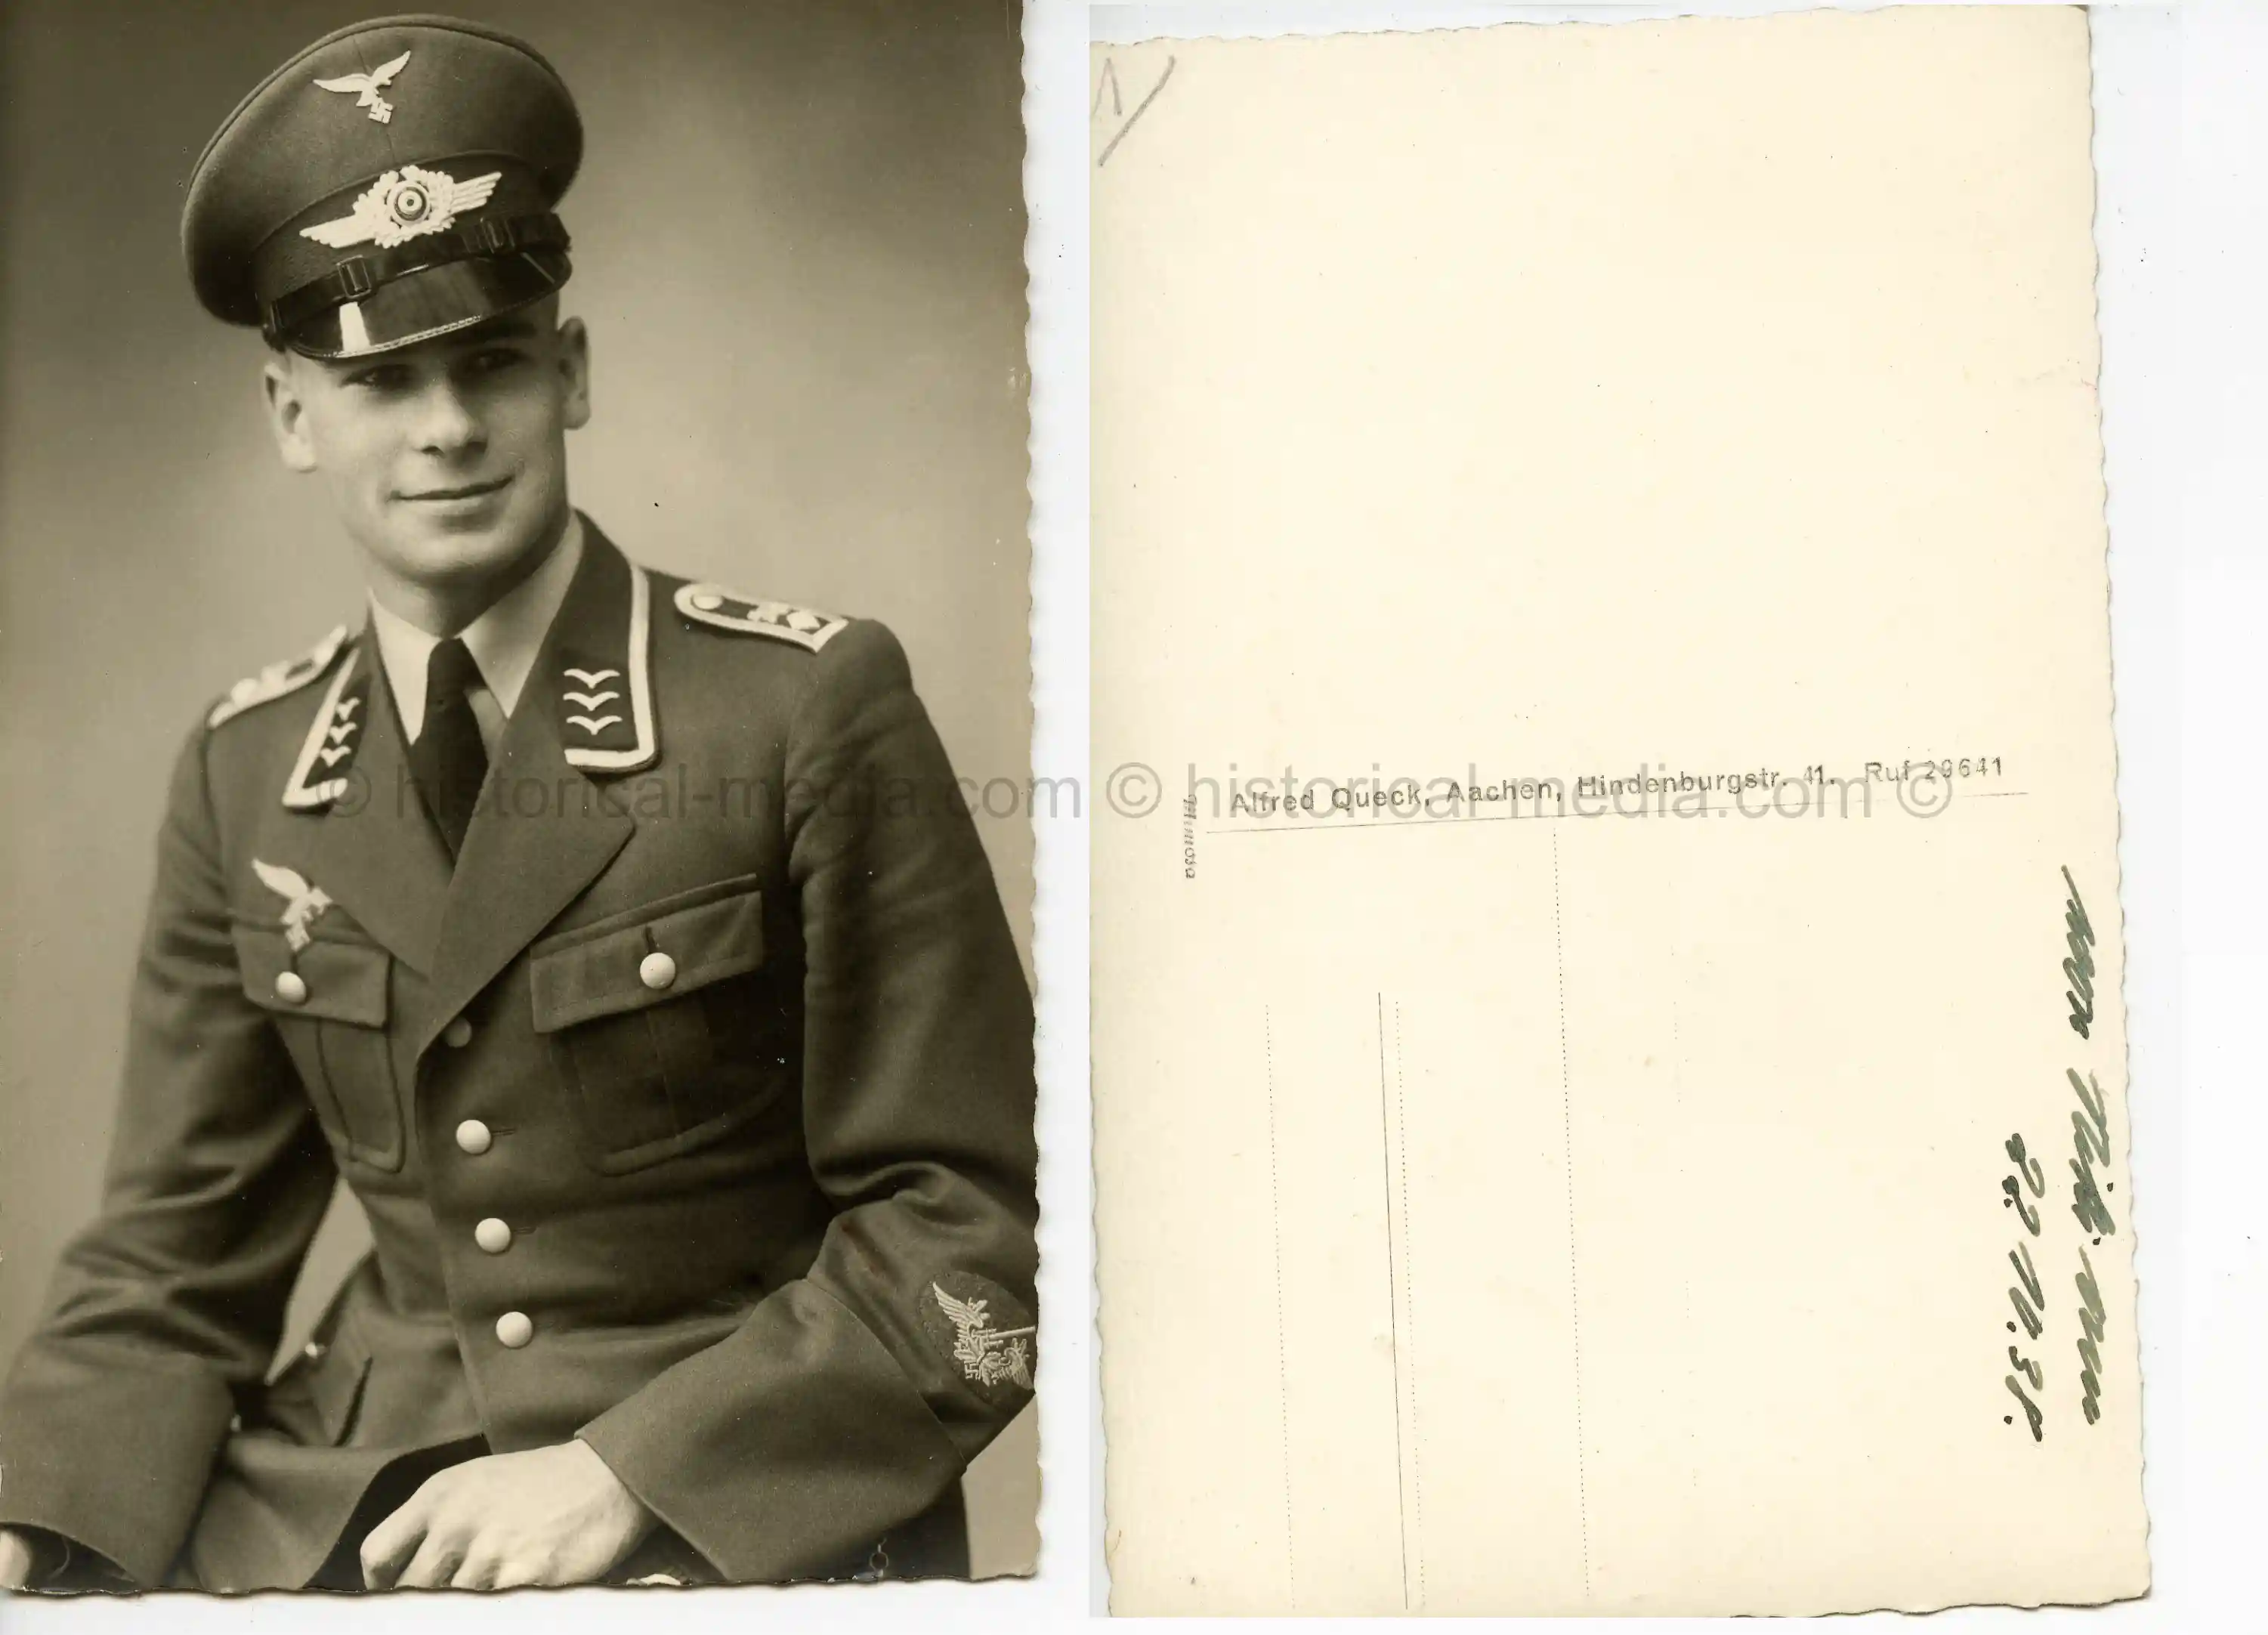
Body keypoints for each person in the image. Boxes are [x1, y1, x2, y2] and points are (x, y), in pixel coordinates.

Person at [0, 14, 1037, 1593]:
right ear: (293, 416)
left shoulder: (798, 706)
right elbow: (173, 1253)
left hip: (725, 1526)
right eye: (380, 379)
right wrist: (35, 1510)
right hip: (347, 1521)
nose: (446, 429)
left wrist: (630, 1473)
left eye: (490, 361)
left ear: (570, 371)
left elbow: (964, 1220)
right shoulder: (248, 768)